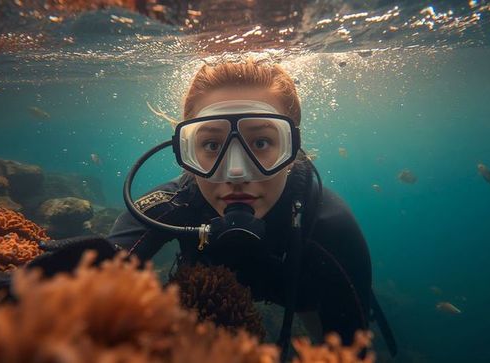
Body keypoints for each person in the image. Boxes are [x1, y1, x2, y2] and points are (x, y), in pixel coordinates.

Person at [107, 58, 376, 354]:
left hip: (299, 294)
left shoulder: (329, 225)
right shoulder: (175, 203)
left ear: (292, 147)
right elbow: (92, 272)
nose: (236, 173)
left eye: (261, 142)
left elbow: (351, 349)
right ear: (188, 151)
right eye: (211, 146)